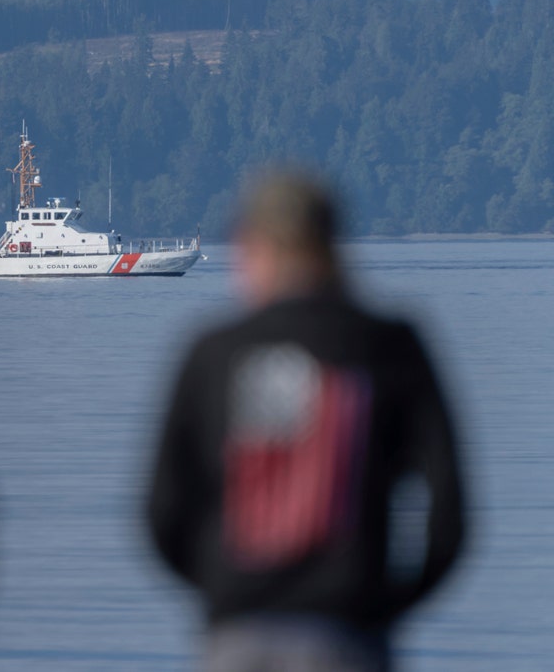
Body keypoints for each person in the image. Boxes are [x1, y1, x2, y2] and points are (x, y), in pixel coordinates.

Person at [146, 172, 467, 671]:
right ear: (334, 243)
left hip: (237, 634)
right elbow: (449, 510)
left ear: (250, 246)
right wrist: (387, 603)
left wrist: (224, 589)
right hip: (347, 630)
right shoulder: (390, 345)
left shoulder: (212, 353)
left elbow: (162, 513)